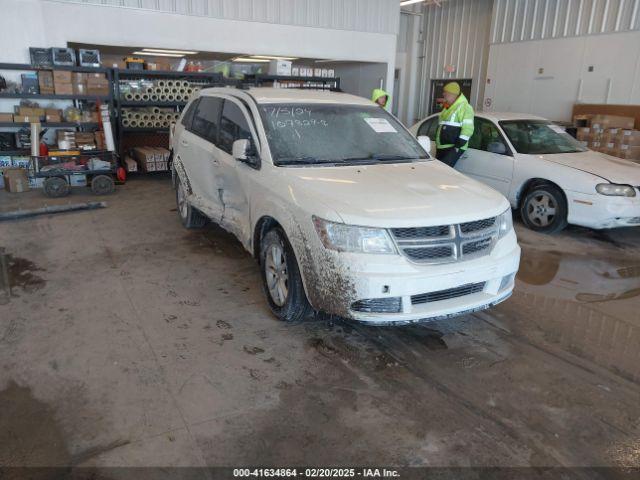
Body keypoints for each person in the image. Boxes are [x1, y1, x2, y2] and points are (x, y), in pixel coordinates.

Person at [435, 82, 474, 168]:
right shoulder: (447, 107)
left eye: (446, 92)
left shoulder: (465, 107)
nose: (443, 94)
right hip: (441, 146)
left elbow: (468, 128)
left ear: (453, 94)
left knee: (443, 172)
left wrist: (458, 146)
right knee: (438, 172)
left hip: (453, 147)